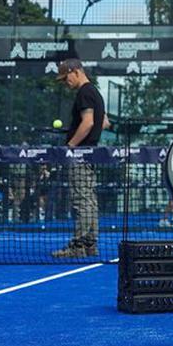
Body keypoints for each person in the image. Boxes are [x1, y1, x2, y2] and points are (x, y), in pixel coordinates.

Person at [52, 58, 105, 259]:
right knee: (89, 201)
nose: (66, 83)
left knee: (82, 201)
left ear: (75, 71)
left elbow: (88, 122)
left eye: (66, 78)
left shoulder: (84, 92)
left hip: (80, 154)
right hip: (91, 154)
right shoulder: (95, 92)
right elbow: (104, 122)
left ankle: (78, 246)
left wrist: (70, 146)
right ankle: (90, 244)